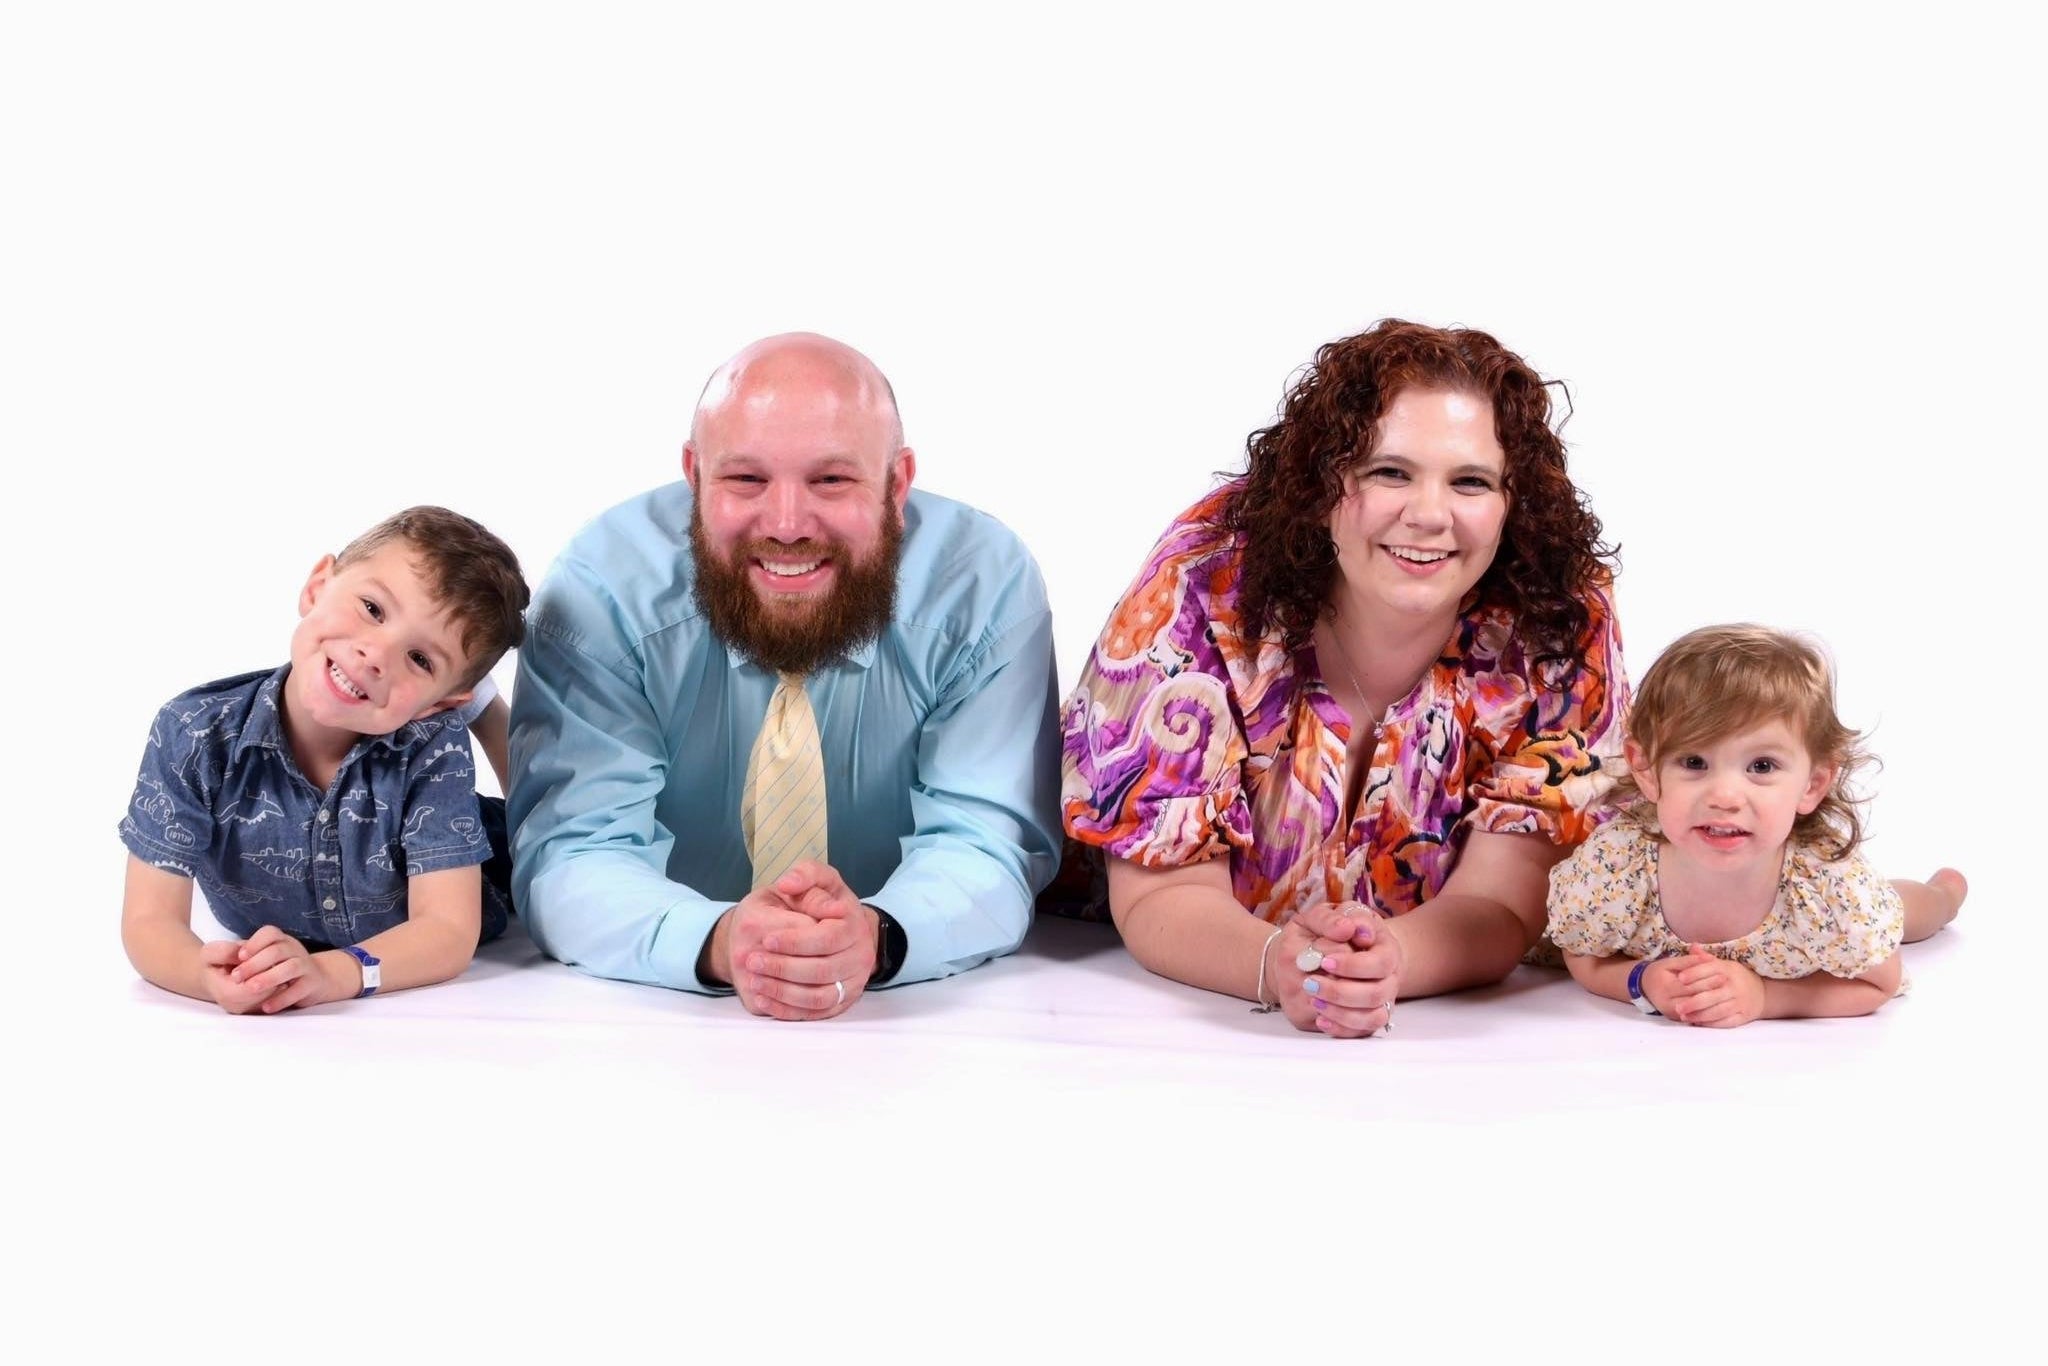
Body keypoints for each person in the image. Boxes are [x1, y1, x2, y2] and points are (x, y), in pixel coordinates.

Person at [1060, 319, 1626, 1038]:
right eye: (1389, 471)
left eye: (1471, 482)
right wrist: (1283, 969)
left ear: (1514, 505)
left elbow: (1505, 902)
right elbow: (1156, 896)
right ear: (1324, 480)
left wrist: (1389, 965)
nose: (1427, 515)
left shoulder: (1558, 624)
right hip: (1110, 989)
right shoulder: (1203, 586)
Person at [509, 332, 1061, 1020]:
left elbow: (989, 840)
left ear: (898, 483)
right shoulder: (602, 589)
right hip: (659, 1029)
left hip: (913, 1034)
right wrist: (723, 942)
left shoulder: (982, 584)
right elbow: (573, 851)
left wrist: (878, 936)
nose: (788, 523)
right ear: (694, 476)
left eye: (831, 480)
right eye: (746, 479)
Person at [119, 506, 530, 1012]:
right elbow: (149, 922)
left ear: (438, 705)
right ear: (317, 586)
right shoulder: (194, 731)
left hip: (486, 848)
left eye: (420, 659)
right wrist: (205, 979)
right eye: (373, 609)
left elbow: (446, 930)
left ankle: (485, 707)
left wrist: (332, 974)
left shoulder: (431, 741)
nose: (375, 654)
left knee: (545, 834)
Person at [1547, 624, 1964, 1025]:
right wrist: (1641, 982)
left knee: (1902, 910)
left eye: (1761, 766)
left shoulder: (1834, 891)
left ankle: (1943, 895)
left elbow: (1879, 983)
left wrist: (1766, 996)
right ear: (1646, 768)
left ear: (1813, 784)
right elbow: (1584, 955)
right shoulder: (1616, 865)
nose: (1725, 797)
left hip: (1830, 917)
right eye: (1694, 762)